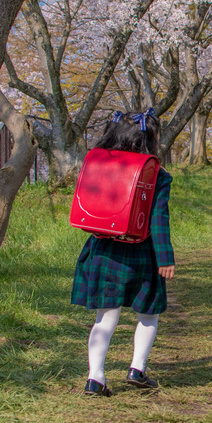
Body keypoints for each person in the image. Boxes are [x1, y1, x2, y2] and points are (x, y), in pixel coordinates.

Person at [71, 109, 175, 397]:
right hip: (141, 253)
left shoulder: (97, 163)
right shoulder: (156, 174)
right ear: (150, 139)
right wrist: (165, 258)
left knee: (104, 318)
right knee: (148, 314)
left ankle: (95, 377)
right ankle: (137, 368)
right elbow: (158, 219)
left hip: (103, 248)